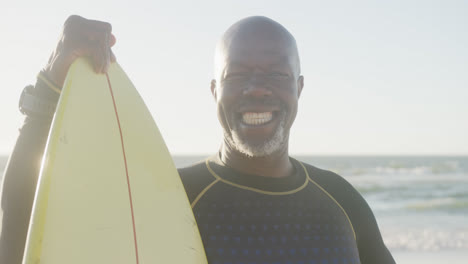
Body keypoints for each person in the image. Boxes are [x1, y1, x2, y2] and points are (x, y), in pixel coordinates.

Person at [0, 15, 395, 264]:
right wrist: (48, 90)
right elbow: (26, 234)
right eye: (237, 74)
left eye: (276, 74)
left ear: (299, 88)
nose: (257, 89)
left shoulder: (341, 201)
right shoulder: (169, 198)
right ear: (213, 90)